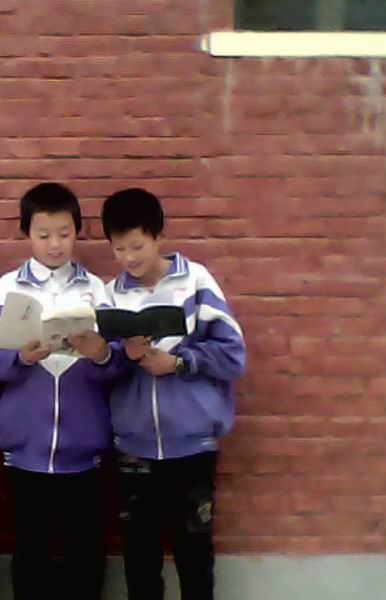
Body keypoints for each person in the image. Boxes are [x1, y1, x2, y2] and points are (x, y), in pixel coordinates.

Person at [0, 182, 120, 600]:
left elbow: (118, 366)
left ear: (77, 232)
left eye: (64, 233)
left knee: (85, 552)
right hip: (26, 448)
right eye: (44, 234)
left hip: (84, 448)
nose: (55, 244)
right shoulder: (8, 288)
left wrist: (100, 355)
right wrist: (20, 358)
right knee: (30, 551)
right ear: (27, 233)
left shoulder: (97, 290)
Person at [101, 187, 246, 600]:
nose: (129, 258)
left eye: (137, 246)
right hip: (133, 447)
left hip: (192, 446)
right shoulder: (109, 296)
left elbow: (232, 355)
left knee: (194, 556)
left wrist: (179, 363)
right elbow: (103, 371)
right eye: (119, 248)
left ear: (159, 236)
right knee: (139, 559)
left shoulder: (195, 281)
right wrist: (123, 356)